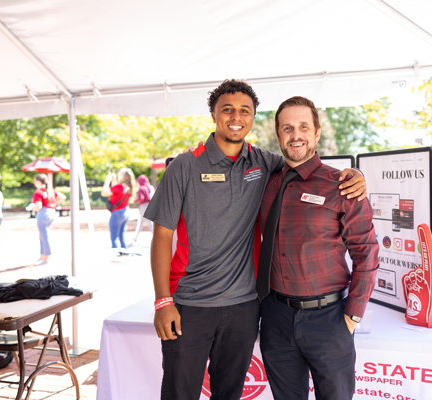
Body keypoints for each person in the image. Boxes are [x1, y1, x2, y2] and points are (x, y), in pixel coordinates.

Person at [144, 79, 367, 400]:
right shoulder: (184, 166)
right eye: (227, 110)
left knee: (230, 393)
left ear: (252, 118)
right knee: (180, 393)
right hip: (190, 304)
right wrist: (162, 301)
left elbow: (305, 164)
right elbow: (161, 236)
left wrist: (356, 174)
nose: (236, 117)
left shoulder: (265, 163)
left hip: (245, 307)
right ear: (213, 115)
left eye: (245, 111)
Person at [257, 96, 379, 400]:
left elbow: (366, 251)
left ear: (317, 133)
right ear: (278, 134)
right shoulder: (265, 183)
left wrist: (353, 314)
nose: (295, 135)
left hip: (330, 319)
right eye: (287, 128)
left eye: (303, 127)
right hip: (276, 317)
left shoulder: (342, 185)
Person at [32, 173, 66, 266]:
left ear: (38, 181)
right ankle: (42, 256)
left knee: (44, 236)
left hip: (43, 213)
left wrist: (32, 208)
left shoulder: (38, 192)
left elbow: (38, 206)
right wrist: (55, 203)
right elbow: (63, 196)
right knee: (43, 235)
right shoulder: (50, 190)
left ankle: (45, 257)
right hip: (51, 212)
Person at [102, 168, 136, 249]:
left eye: (119, 173)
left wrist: (107, 181)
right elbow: (116, 192)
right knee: (121, 236)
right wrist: (114, 181)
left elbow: (104, 193)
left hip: (116, 213)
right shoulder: (128, 187)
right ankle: (124, 253)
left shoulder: (119, 187)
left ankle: (115, 254)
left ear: (123, 176)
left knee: (114, 238)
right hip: (125, 212)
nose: (118, 175)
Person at [132, 174, 154, 242]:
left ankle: (135, 237)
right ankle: (155, 236)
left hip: (143, 206)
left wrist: (135, 200)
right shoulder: (151, 187)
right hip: (151, 205)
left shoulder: (141, 188)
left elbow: (141, 198)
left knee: (141, 221)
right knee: (151, 222)